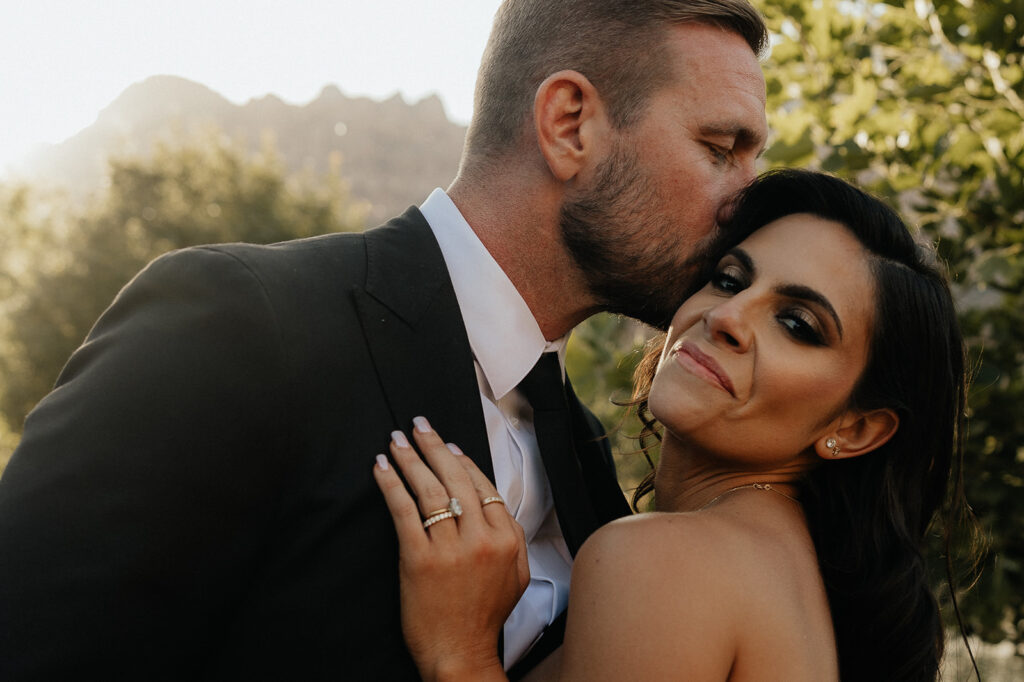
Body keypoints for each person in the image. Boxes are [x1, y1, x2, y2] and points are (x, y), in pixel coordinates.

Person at [0, 1, 770, 679]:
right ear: (570, 124)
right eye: (720, 148)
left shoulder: (584, 450)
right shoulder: (239, 325)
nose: (746, 201)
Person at [373, 170, 975, 682]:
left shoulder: (666, 561)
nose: (727, 317)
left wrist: (461, 655)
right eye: (731, 279)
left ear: (859, 427)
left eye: (797, 324)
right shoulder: (786, 574)